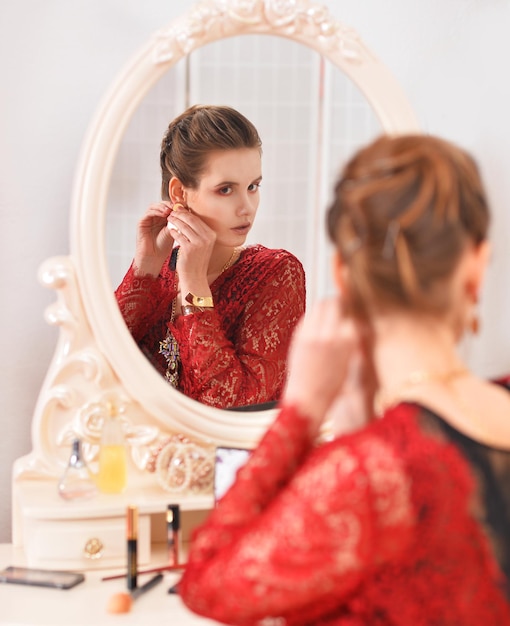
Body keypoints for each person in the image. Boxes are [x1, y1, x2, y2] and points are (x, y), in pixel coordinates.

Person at [178, 134, 510, 624]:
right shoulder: (376, 463)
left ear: (344, 275)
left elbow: (206, 585)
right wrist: (357, 422)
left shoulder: (366, 476)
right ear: (476, 267)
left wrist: (302, 412)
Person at [115, 105, 306, 408]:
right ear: (178, 193)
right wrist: (145, 268)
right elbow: (100, 368)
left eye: (253, 187)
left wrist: (193, 286)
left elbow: (234, 405)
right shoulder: (160, 268)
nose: (247, 208)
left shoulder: (277, 272)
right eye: (226, 189)